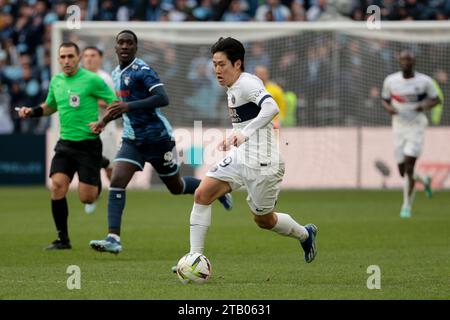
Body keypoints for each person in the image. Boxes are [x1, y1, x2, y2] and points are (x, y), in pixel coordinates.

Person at [178, 37, 317, 268]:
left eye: (222, 64)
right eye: (214, 64)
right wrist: (237, 134)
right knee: (202, 193)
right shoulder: (232, 87)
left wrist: (245, 133)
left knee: (263, 220)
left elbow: (271, 107)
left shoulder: (247, 83)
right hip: (241, 157)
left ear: (237, 64)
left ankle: (305, 234)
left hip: (264, 164)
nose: (217, 70)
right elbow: (248, 120)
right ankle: (195, 258)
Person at [88, 30, 233, 254]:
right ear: (115, 47)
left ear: (136, 47)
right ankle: (113, 238)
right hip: (132, 139)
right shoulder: (116, 73)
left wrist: (129, 107)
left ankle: (217, 189)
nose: (125, 46)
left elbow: (163, 98)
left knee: (177, 187)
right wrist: (103, 121)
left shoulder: (143, 71)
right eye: (121, 43)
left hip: (158, 138)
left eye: (129, 43)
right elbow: (120, 105)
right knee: (117, 180)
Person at [17, 42, 118, 250]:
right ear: (58, 59)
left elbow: (114, 102)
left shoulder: (92, 80)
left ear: (78, 58)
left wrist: (103, 121)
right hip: (65, 144)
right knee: (57, 186)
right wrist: (32, 111)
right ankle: (63, 239)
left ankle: (100, 163)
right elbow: (50, 106)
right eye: (62, 57)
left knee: (87, 198)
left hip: (89, 146)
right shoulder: (56, 81)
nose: (66, 61)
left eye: (70, 56)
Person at [382, 50, 439, 218]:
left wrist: (425, 106)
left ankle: (406, 206)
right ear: (399, 62)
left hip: (416, 126)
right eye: (403, 60)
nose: (406, 62)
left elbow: (437, 99)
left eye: (409, 59)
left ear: (414, 62)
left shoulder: (424, 81)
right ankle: (424, 179)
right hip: (399, 127)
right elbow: (384, 99)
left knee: (408, 165)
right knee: (402, 170)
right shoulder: (391, 81)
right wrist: (389, 109)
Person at [82, 46, 119, 214]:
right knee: (90, 165)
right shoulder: (79, 78)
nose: (89, 59)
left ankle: (116, 196)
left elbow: (113, 102)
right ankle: (93, 196)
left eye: (93, 55)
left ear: (100, 58)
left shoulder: (105, 78)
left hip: (105, 128)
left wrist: (89, 100)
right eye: (86, 56)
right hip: (85, 129)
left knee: (109, 166)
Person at [254, 65, 286, 129]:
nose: (261, 76)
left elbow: (282, 106)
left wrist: (279, 120)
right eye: (259, 74)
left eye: (263, 74)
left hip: (273, 121)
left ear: (267, 75)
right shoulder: (249, 89)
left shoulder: (276, 89)